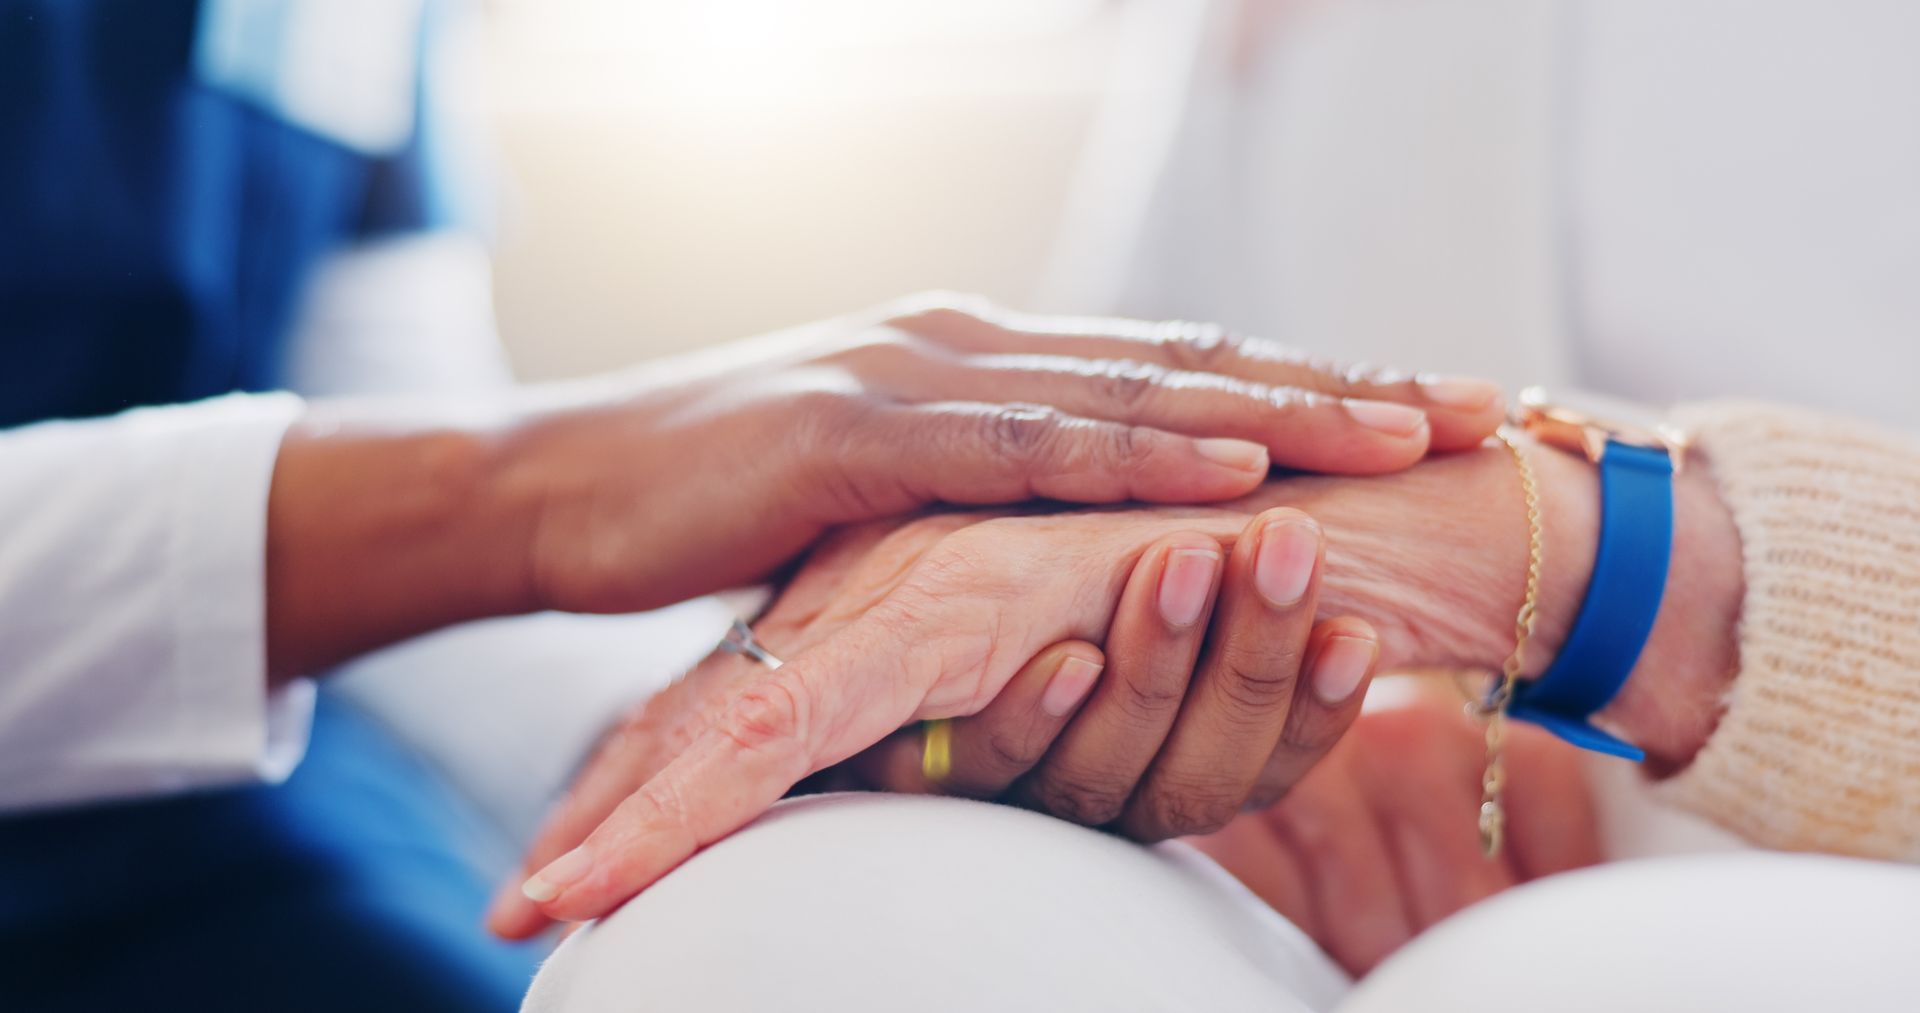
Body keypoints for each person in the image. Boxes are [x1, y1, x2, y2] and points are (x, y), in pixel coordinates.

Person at [0, 7, 1504, 1011]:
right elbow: (454, 490)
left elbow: (372, 403)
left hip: (237, 800)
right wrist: (538, 485)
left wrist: (800, 723)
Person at [503, 1, 1920, 1008]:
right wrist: (1220, 693)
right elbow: (1119, 482)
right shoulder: (1239, 40)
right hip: (1398, 844)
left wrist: (1537, 558)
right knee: (770, 938)